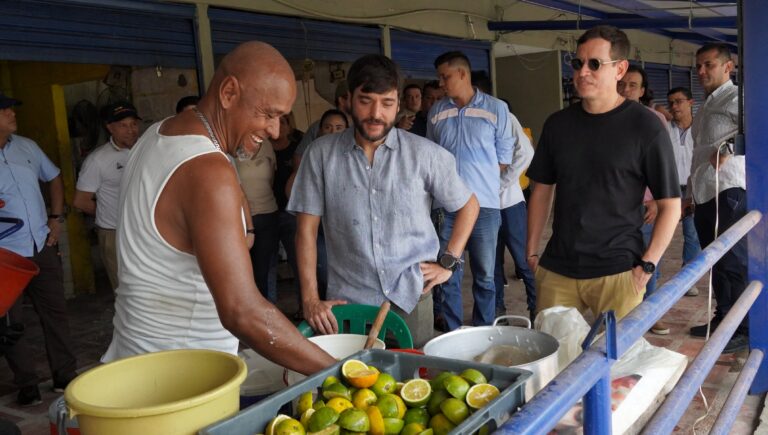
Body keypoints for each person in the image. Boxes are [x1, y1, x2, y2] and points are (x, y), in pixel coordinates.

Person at [101, 41, 335, 374]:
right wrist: (339, 372)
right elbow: (243, 311)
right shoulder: (209, 170)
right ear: (228, 93)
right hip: (181, 378)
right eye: (269, 114)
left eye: (281, 118)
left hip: (137, 360)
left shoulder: (158, 133)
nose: (272, 130)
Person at [288, 54, 479, 347]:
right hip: (347, 303)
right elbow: (306, 231)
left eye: (387, 103)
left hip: (411, 297)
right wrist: (310, 299)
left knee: (415, 379)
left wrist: (448, 262)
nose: (376, 113)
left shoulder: (425, 154)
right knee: (353, 383)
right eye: (366, 100)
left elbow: (468, 205)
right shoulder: (320, 155)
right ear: (347, 100)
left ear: (398, 105)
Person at [526, 26, 680, 322]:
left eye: (595, 64)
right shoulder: (558, 125)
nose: (583, 72)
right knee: (555, 363)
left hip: (619, 271)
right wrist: (532, 251)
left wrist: (647, 265)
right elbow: (542, 189)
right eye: (578, 63)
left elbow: (670, 204)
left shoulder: (645, 127)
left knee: (619, 364)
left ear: (620, 69)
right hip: (558, 267)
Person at [0, 92, 79, 405]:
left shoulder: (27, 146)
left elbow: (55, 176)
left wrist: (56, 218)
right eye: (5, 110)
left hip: (41, 244)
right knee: (9, 321)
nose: (12, 114)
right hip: (6, 256)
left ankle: (64, 375)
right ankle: (27, 383)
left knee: (56, 313)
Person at [427, 51, 514, 331]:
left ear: (462, 74)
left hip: (485, 205)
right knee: (447, 273)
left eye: (445, 76)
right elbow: (431, 156)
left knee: (485, 275)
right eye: (440, 77)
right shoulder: (437, 111)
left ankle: (483, 329)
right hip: (446, 207)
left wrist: (474, 184)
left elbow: (503, 159)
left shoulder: (496, 108)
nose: (441, 83)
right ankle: (453, 332)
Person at [687, 43, 747, 353]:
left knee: (733, 261)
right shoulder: (709, 103)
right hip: (706, 192)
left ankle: (742, 329)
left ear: (729, 67)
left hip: (728, 190)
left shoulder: (737, 98)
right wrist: (689, 193)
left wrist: (729, 147)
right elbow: (699, 152)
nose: (701, 71)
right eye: (699, 66)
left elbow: (758, 128)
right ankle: (724, 318)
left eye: (708, 65)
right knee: (718, 260)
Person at [617, 64, 677, 335]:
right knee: (619, 260)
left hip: (645, 204)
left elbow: (662, 166)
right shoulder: (603, 116)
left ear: (642, 91)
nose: (626, 89)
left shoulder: (654, 119)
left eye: (633, 85)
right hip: (615, 207)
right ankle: (622, 314)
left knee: (650, 257)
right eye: (623, 84)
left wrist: (655, 201)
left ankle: (651, 314)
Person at [73, 101, 142, 290]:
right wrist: (111, 214)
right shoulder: (98, 160)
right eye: (123, 125)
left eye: (134, 124)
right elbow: (81, 201)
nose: (131, 130)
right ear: (110, 127)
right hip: (115, 233)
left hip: (146, 230)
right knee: (127, 291)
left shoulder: (147, 150)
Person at [494, 112, 535, 321]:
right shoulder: (463, 118)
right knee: (491, 266)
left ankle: (537, 310)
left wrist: (500, 183)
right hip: (484, 207)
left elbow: (526, 153)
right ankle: (498, 312)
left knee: (524, 261)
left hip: (510, 204)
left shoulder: (503, 116)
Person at [666, 87, 702, 288]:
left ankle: (687, 281)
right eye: (671, 102)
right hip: (668, 188)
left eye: (679, 101)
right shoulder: (664, 128)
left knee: (692, 233)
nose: (674, 106)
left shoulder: (700, 128)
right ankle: (651, 278)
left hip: (692, 188)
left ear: (690, 102)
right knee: (660, 232)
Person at [235, 137, 278, 302]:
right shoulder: (232, 146)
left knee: (263, 272)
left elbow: (271, 180)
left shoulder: (266, 146)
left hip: (268, 214)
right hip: (240, 219)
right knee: (242, 271)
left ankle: (265, 315)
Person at [269, 113, 303, 316]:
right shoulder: (261, 148)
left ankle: (303, 305)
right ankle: (270, 309)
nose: (278, 125)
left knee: (298, 261)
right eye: (275, 120)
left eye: (283, 121)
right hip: (267, 211)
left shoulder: (296, 150)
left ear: (290, 125)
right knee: (268, 264)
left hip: (291, 213)